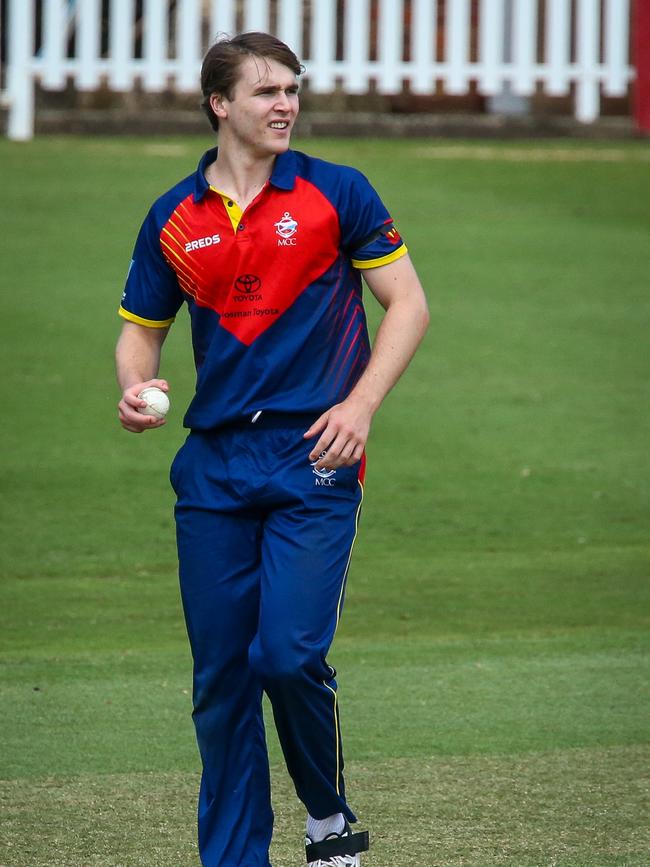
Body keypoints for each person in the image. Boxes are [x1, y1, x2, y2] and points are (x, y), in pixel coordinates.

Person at [116, 31, 429, 867]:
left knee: (287, 654)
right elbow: (140, 332)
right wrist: (134, 387)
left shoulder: (338, 193)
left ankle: (327, 817)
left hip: (316, 455)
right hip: (214, 466)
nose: (285, 104)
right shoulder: (174, 217)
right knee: (221, 682)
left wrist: (360, 405)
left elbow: (407, 304)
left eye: (292, 90)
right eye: (265, 92)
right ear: (221, 104)